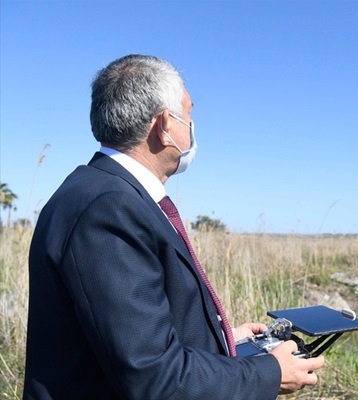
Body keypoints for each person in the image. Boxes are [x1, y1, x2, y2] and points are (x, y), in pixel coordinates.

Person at [23, 54, 324, 399]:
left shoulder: (110, 194)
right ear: (165, 125)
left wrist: (223, 338)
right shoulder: (108, 208)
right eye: (190, 114)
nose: (193, 126)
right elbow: (154, 377)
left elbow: (130, 335)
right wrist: (269, 372)